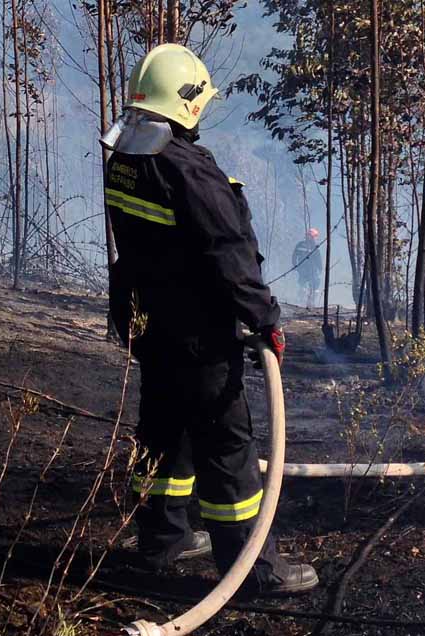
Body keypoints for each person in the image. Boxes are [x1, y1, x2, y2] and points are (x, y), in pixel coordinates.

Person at [100, 43, 317, 595]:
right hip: (199, 335)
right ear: (188, 102)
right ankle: (251, 568)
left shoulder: (124, 158)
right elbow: (230, 254)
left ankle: (163, 539)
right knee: (226, 447)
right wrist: (265, 319)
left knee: (163, 432)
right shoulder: (191, 171)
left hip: (149, 326)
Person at [292, 228, 323, 308]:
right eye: (314, 237)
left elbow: (294, 256)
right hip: (309, 270)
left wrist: (295, 265)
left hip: (303, 269)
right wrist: (320, 269)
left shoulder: (300, 244)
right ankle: (308, 302)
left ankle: (305, 302)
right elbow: (318, 260)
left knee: (304, 285)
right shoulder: (314, 247)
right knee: (311, 286)